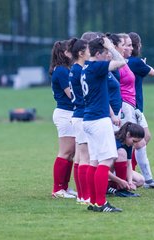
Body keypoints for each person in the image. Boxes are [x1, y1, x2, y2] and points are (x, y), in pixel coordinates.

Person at [82, 36, 126, 212]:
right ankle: (101, 202)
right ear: (98, 53)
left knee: (94, 162)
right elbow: (121, 62)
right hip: (99, 121)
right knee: (106, 161)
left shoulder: (86, 68)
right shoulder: (96, 67)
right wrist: (111, 47)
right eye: (106, 52)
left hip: (90, 119)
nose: (108, 55)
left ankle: (93, 201)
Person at [118, 33, 154, 189]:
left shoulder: (123, 62)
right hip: (131, 107)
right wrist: (143, 64)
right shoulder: (135, 62)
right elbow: (152, 72)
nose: (131, 48)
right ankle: (146, 179)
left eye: (132, 45)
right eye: (128, 45)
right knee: (138, 141)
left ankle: (132, 173)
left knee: (143, 138)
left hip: (134, 106)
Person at [49, 40, 77, 198]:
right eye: (69, 51)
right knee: (65, 152)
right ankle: (57, 189)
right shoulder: (61, 71)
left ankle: (65, 187)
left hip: (69, 113)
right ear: (63, 53)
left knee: (71, 152)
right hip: (65, 113)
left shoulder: (66, 69)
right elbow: (71, 94)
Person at [68, 38, 90, 204]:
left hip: (78, 115)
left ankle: (82, 195)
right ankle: (84, 196)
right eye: (88, 50)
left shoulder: (76, 69)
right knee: (84, 157)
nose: (91, 52)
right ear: (81, 53)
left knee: (81, 157)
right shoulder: (78, 71)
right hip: (82, 115)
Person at [108, 122, 145, 197]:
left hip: (114, 173)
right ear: (128, 134)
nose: (135, 144)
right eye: (134, 141)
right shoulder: (114, 142)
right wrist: (120, 181)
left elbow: (128, 164)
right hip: (105, 172)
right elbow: (103, 170)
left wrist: (130, 182)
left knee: (140, 181)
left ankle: (110, 187)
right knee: (122, 152)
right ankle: (121, 189)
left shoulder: (128, 143)